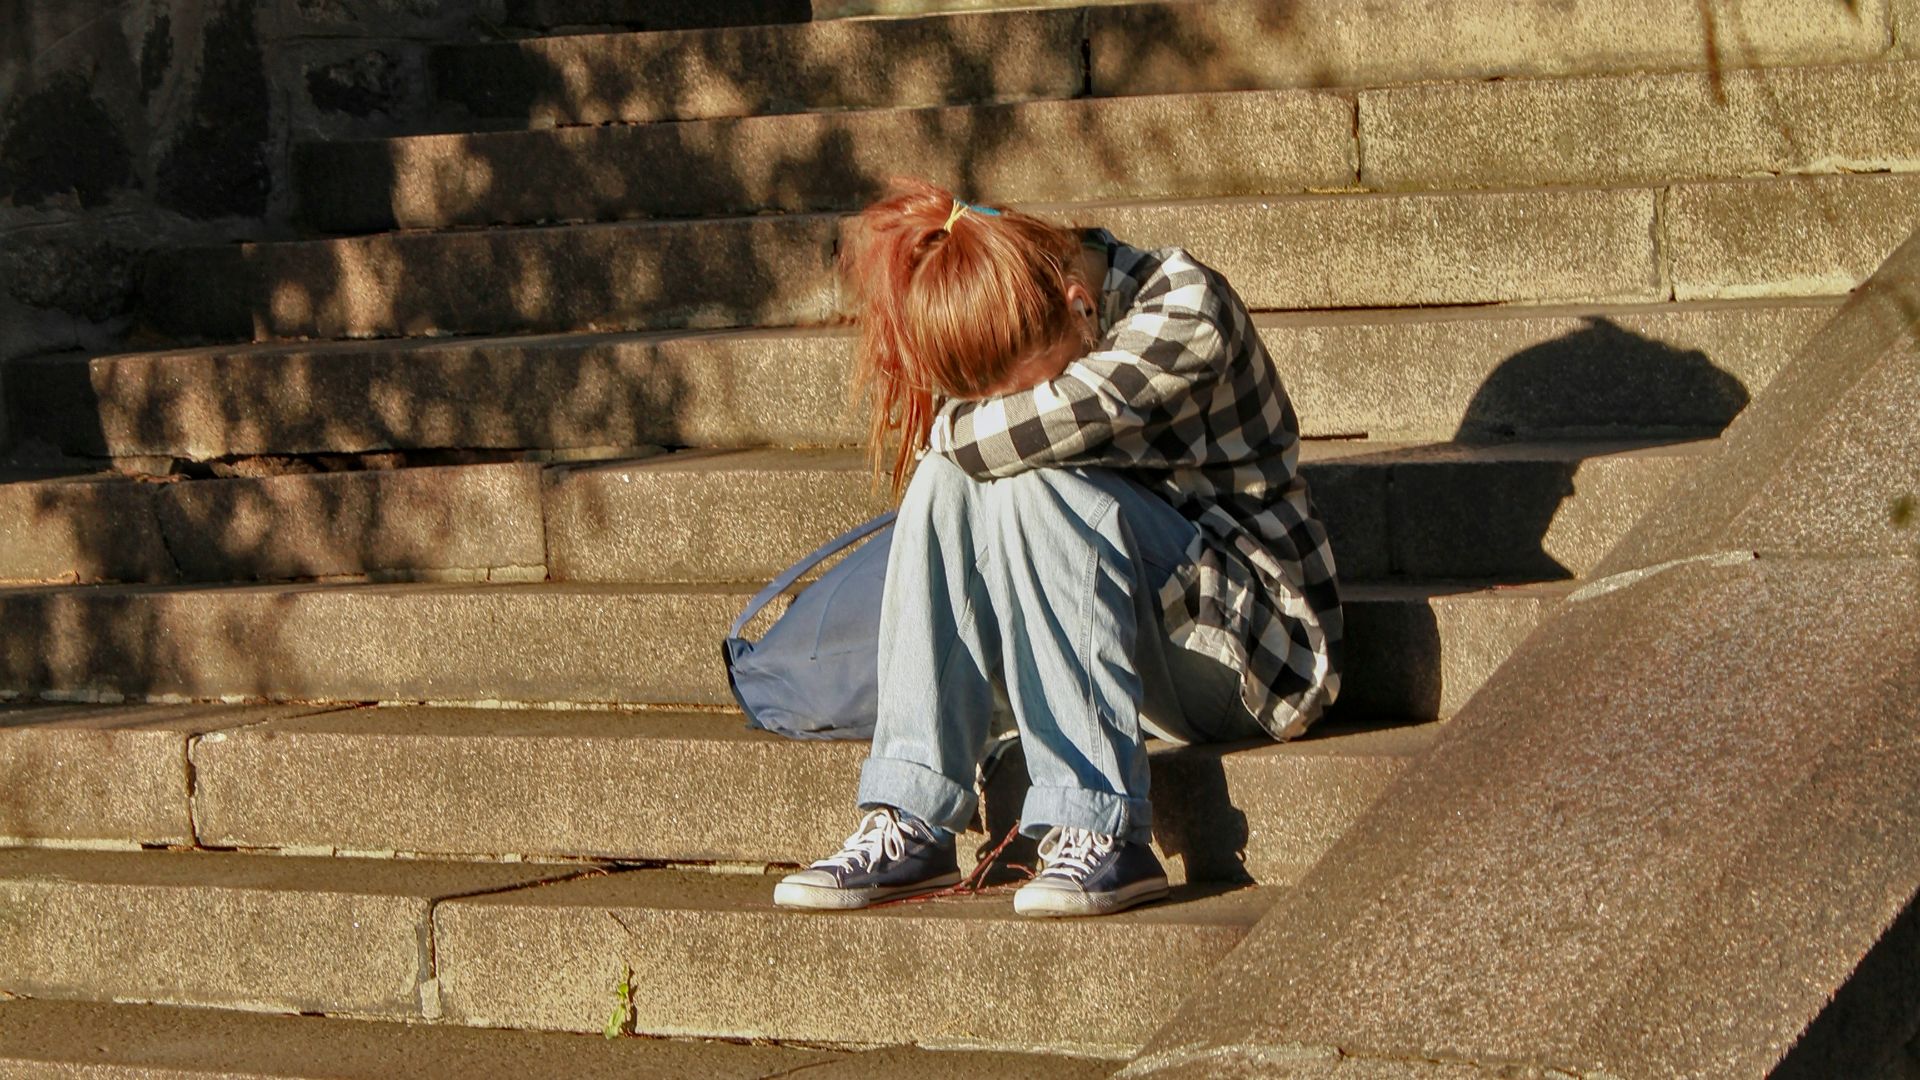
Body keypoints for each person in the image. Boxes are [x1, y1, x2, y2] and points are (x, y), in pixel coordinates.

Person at [773, 179, 1342, 917]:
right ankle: (911, 812)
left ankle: (1099, 828)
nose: (1007, 405)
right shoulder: (1045, 315)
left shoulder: (1183, 307)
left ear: (1079, 302)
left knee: (1021, 474)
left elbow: (997, 437)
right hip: (1131, 647)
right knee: (958, 481)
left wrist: (954, 429)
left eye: (1025, 386)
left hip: (1253, 652)